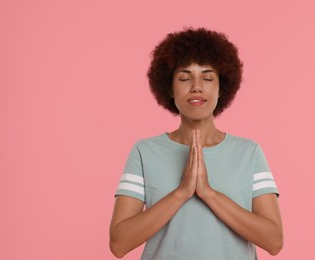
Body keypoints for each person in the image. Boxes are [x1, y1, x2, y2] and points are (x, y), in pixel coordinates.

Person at [109, 27, 283, 259]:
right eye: (184, 77)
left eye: (208, 77)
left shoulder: (249, 153)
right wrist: (182, 192)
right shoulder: (144, 152)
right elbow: (119, 244)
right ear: (169, 88)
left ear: (222, 88)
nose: (196, 86)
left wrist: (208, 193)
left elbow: (274, 241)